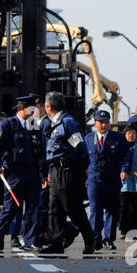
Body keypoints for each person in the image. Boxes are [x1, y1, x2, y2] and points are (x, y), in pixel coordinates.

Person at [39, 92, 95, 255]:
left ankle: (89, 239)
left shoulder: (68, 123)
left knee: (73, 208)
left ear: (49, 107)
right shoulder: (54, 123)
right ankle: (56, 242)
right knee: (54, 208)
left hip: (68, 171)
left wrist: (80, 169)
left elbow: (80, 148)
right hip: (56, 170)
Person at [0, 95, 42, 253]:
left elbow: (40, 149)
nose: (35, 111)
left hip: (32, 172)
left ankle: (30, 240)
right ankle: (1, 233)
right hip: (14, 173)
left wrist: (44, 172)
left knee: (33, 207)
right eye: (31, 108)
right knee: (11, 208)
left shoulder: (34, 125)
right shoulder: (8, 125)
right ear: (22, 108)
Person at [85, 108, 130, 250]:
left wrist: (124, 171)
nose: (104, 125)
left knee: (112, 210)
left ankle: (109, 239)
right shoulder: (88, 139)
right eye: (100, 122)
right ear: (95, 123)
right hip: (94, 180)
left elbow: (126, 157)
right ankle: (95, 238)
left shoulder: (118, 138)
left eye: (106, 122)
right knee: (95, 210)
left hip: (112, 180)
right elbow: (82, 158)